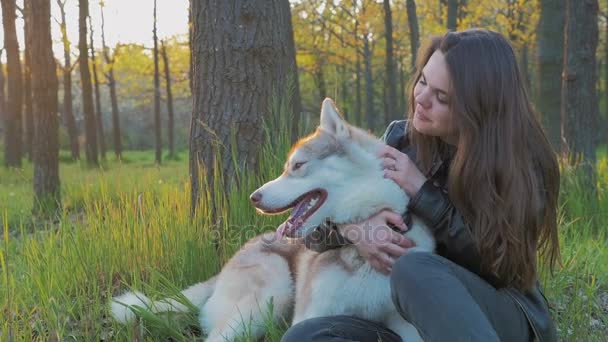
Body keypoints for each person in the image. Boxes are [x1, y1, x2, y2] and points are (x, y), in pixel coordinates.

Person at [282, 29, 560, 342]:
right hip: (408, 321)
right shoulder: (400, 140)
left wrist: (422, 191)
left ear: (479, 107)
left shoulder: (519, 158)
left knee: (414, 270)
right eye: (423, 81)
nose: (421, 99)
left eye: (442, 97)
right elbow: (314, 233)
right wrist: (356, 228)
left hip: (496, 316)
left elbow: (502, 267)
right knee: (306, 336)